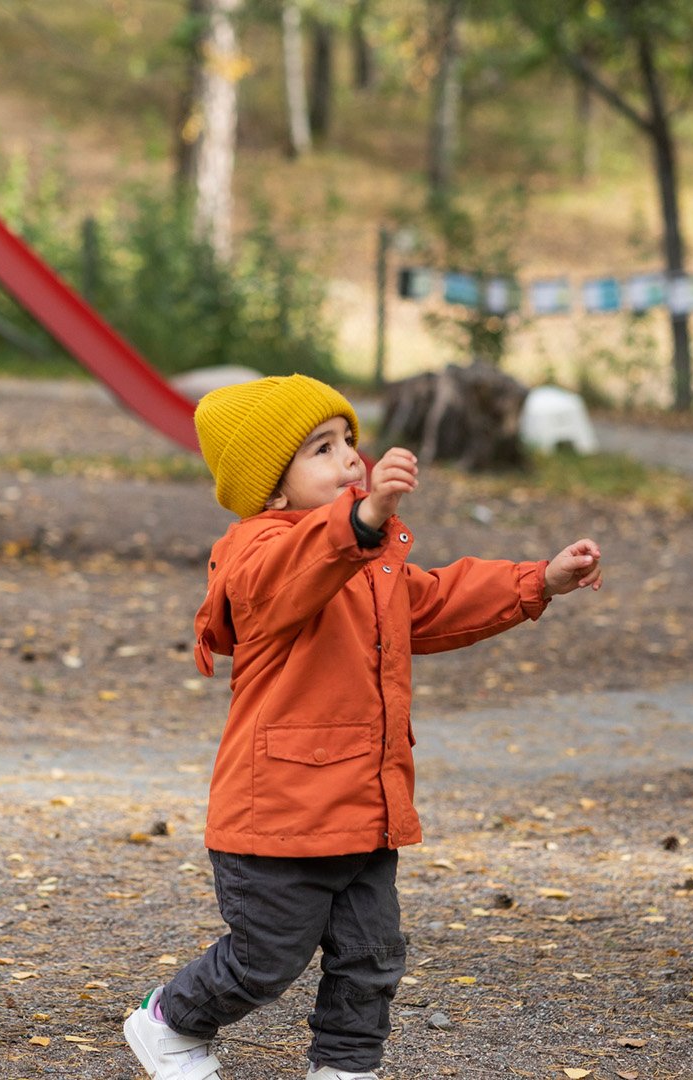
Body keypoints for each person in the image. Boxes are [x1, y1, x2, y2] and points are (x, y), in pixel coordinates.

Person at [123, 375, 605, 1080]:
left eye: (350, 440)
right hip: (278, 817)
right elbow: (296, 572)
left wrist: (539, 581)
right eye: (323, 449)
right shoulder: (256, 555)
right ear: (272, 492)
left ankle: (346, 1069)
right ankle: (169, 1019)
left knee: (372, 957)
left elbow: (437, 599)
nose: (350, 458)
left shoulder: (371, 565)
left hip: (364, 805)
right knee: (265, 958)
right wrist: (360, 519)